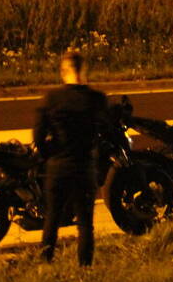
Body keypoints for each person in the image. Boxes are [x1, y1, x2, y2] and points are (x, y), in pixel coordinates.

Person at [33, 51, 116, 266]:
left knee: (52, 218)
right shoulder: (97, 99)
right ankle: (84, 268)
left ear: (64, 72)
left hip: (58, 166)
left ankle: (45, 263)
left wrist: (48, 156)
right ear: (84, 70)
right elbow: (109, 129)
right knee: (85, 223)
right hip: (84, 166)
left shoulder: (51, 99)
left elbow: (38, 137)